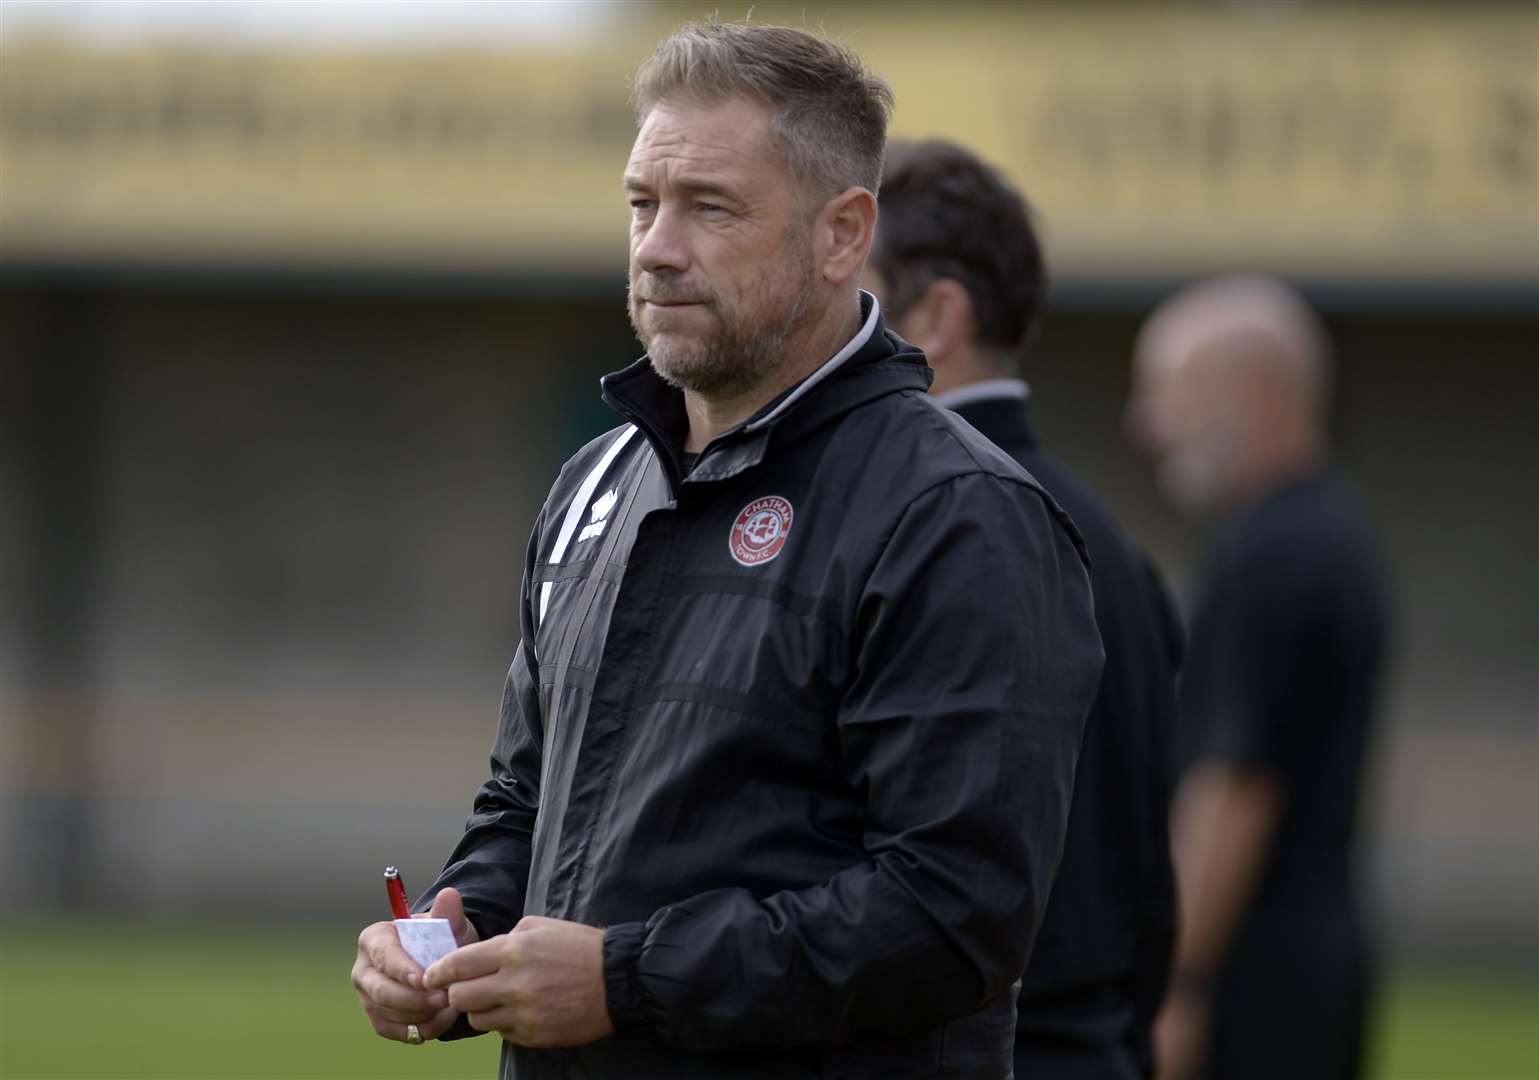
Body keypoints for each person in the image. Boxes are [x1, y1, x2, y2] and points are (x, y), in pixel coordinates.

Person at [350, 21, 1104, 1079]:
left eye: (710, 207)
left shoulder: (955, 512)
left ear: (842, 234)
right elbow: (529, 799)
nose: (658, 246)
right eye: (641, 203)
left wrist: (624, 980)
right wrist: (459, 929)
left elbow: (953, 913)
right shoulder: (597, 483)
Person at [863, 139, 1183, 1080]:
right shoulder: (1112, 542)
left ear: (938, 315)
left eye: (851, 280)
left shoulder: (937, 528)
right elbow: (1150, 877)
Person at [1127, 275, 1390, 1080]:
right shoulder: (1331, 531)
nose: (1146, 426)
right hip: (1310, 964)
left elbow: (1234, 784)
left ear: (1253, 394)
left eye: (1167, 393)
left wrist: (1180, 982)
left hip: (1253, 977)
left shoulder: (1268, 556)